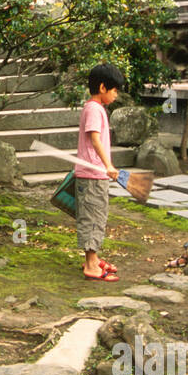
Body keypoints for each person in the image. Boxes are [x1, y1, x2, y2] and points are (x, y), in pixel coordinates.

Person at [77, 63, 125, 281]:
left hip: (95, 175)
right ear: (104, 87)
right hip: (92, 175)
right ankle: (90, 266)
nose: (117, 95)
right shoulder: (94, 109)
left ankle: (93, 259)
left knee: (97, 216)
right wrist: (108, 165)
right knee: (93, 218)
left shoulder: (96, 108)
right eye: (115, 90)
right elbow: (95, 139)